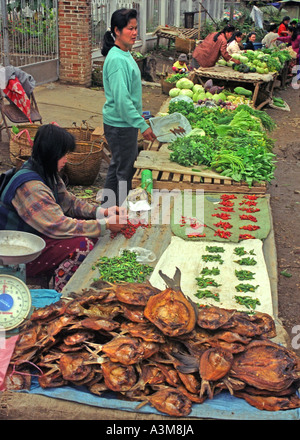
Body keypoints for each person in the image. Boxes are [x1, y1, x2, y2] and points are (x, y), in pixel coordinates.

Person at [0, 124, 126, 292]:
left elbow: (69, 202)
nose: (66, 159)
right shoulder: (31, 186)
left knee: (90, 230)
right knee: (82, 245)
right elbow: (58, 226)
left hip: (34, 236)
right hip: (15, 253)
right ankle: (63, 296)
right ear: (51, 154)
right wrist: (105, 225)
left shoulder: (45, 171)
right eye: (63, 155)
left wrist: (101, 212)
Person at [101, 8, 156, 207]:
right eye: (130, 29)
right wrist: (142, 125)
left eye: (136, 28)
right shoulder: (116, 59)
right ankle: (120, 212)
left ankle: (107, 209)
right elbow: (122, 101)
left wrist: (138, 117)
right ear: (117, 30)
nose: (134, 33)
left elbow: (127, 98)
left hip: (123, 122)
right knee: (125, 171)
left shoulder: (124, 54)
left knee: (118, 166)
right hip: (120, 125)